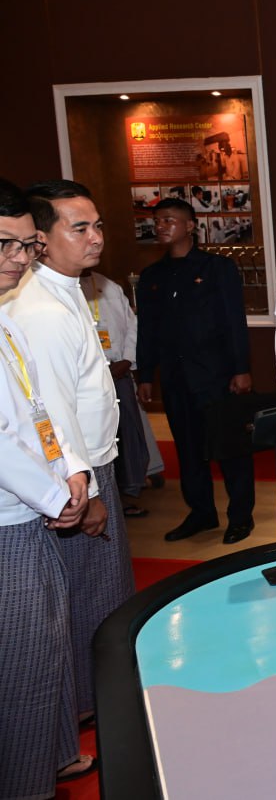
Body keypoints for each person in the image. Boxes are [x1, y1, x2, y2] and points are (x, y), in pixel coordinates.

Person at [2, 180, 135, 725]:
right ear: (42, 238)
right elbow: (51, 414)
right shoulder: (42, 310)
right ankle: (87, 706)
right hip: (74, 478)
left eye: (98, 225)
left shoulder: (69, 290)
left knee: (98, 594)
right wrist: (90, 491)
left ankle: (90, 703)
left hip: (87, 468)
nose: (96, 237)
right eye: (79, 228)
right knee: (87, 599)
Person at [0, 180, 95, 797]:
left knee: (43, 654)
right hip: (11, 520)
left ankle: (38, 772)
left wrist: (72, 469)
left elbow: (40, 412)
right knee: (23, 665)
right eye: (6, 244)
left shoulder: (6, 320)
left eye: (24, 245)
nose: (18, 258)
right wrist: (55, 494)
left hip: (32, 508)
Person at [136, 198, 257, 544]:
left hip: (217, 375)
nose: (161, 226)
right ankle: (202, 513)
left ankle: (241, 516)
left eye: (169, 220)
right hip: (175, 378)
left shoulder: (218, 268)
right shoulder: (152, 276)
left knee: (230, 449)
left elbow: (234, 322)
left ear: (190, 226)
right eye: (158, 221)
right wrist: (146, 374)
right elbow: (147, 330)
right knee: (188, 450)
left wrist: (241, 369)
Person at [79, 268, 154, 517]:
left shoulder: (109, 286)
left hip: (118, 372)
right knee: (94, 439)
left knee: (125, 437)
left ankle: (124, 495)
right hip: (87, 380)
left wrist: (127, 359)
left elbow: (133, 326)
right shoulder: (61, 289)